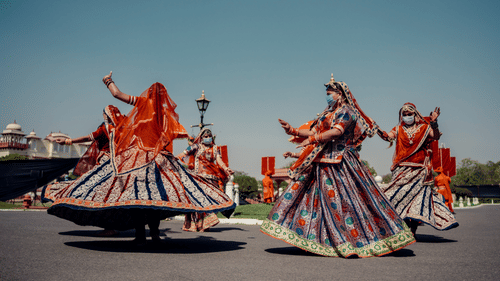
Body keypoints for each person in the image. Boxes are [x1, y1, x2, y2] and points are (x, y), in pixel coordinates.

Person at [43, 72, 235, 245]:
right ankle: (155, 234)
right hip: (160, 160)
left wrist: (107, 81)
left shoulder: (144, 104)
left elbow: (117, 95)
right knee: (156, 197)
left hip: (139, 158)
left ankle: (141, 235)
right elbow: (178, 134)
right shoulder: (166, 113)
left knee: (137, 196)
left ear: (149, 95)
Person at [260, 75, 415, 258]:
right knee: (311, 199)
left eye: (329, 93)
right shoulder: (327, 113)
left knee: (347, 201)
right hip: (321, 160)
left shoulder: (347, 111)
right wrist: (292, 130)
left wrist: (312, 139)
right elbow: (315, 130)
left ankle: (350, 240)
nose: (327, 97)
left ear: (339, 94)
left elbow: (336, 131)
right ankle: (319, 239)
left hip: (341, 163)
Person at [378, 103, 458, 235]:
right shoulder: (398, 129)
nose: (407, 117)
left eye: (410, 114)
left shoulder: (425, 128)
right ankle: (400, 227)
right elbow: (388, 137)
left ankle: (413, 230)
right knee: (397, 197)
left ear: (415, 115)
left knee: (417, 200)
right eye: (405, 115)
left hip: (419, 171)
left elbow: (436, 136)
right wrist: (376, 129)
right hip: (401, 171)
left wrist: (434, 122)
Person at [176, 128, 234, 232]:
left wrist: (226, 168)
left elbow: (219, 160)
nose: (208, 138)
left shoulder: (215, 148)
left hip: (212, 179)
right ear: (201, 138)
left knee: (210, 201)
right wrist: (174, 159)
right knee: (198, 201)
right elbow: (184, 153)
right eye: (205, 137)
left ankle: (206, 223)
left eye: (209, 136)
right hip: (199, 178)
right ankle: (198, 225)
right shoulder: (195, 147)